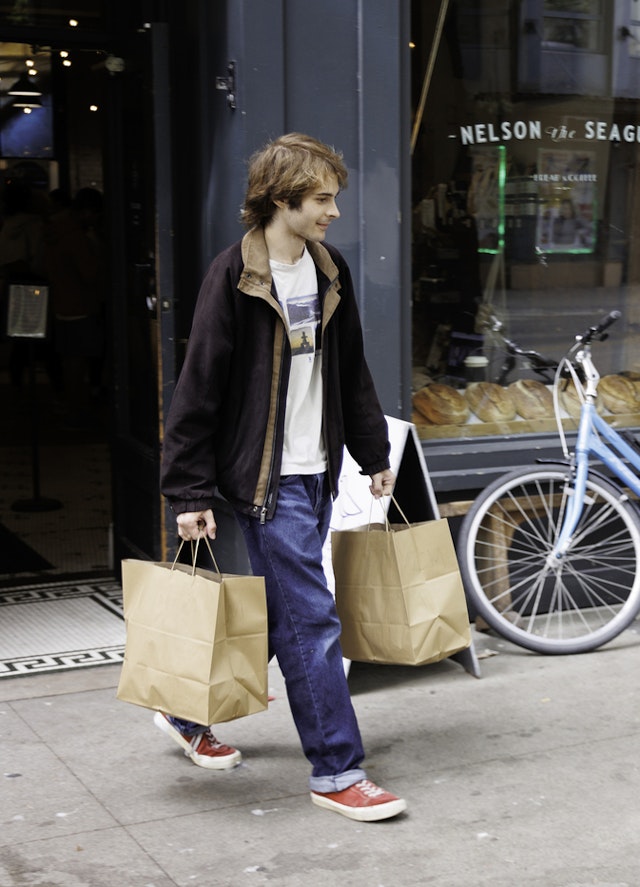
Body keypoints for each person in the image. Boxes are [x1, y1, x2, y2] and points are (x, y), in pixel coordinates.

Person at [158, 132, 406, 823]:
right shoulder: (234, 274)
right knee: (314, 621)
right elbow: (198, 388)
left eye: (333, 198)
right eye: (322, 198)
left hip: (318, 471)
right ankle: (336, 767)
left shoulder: (331, 270)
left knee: (286, 613)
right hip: (263, 477)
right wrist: (188, 490)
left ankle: (183, 706)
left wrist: (373, 452)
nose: (332, 211)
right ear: (281, 198)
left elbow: (349, 369)